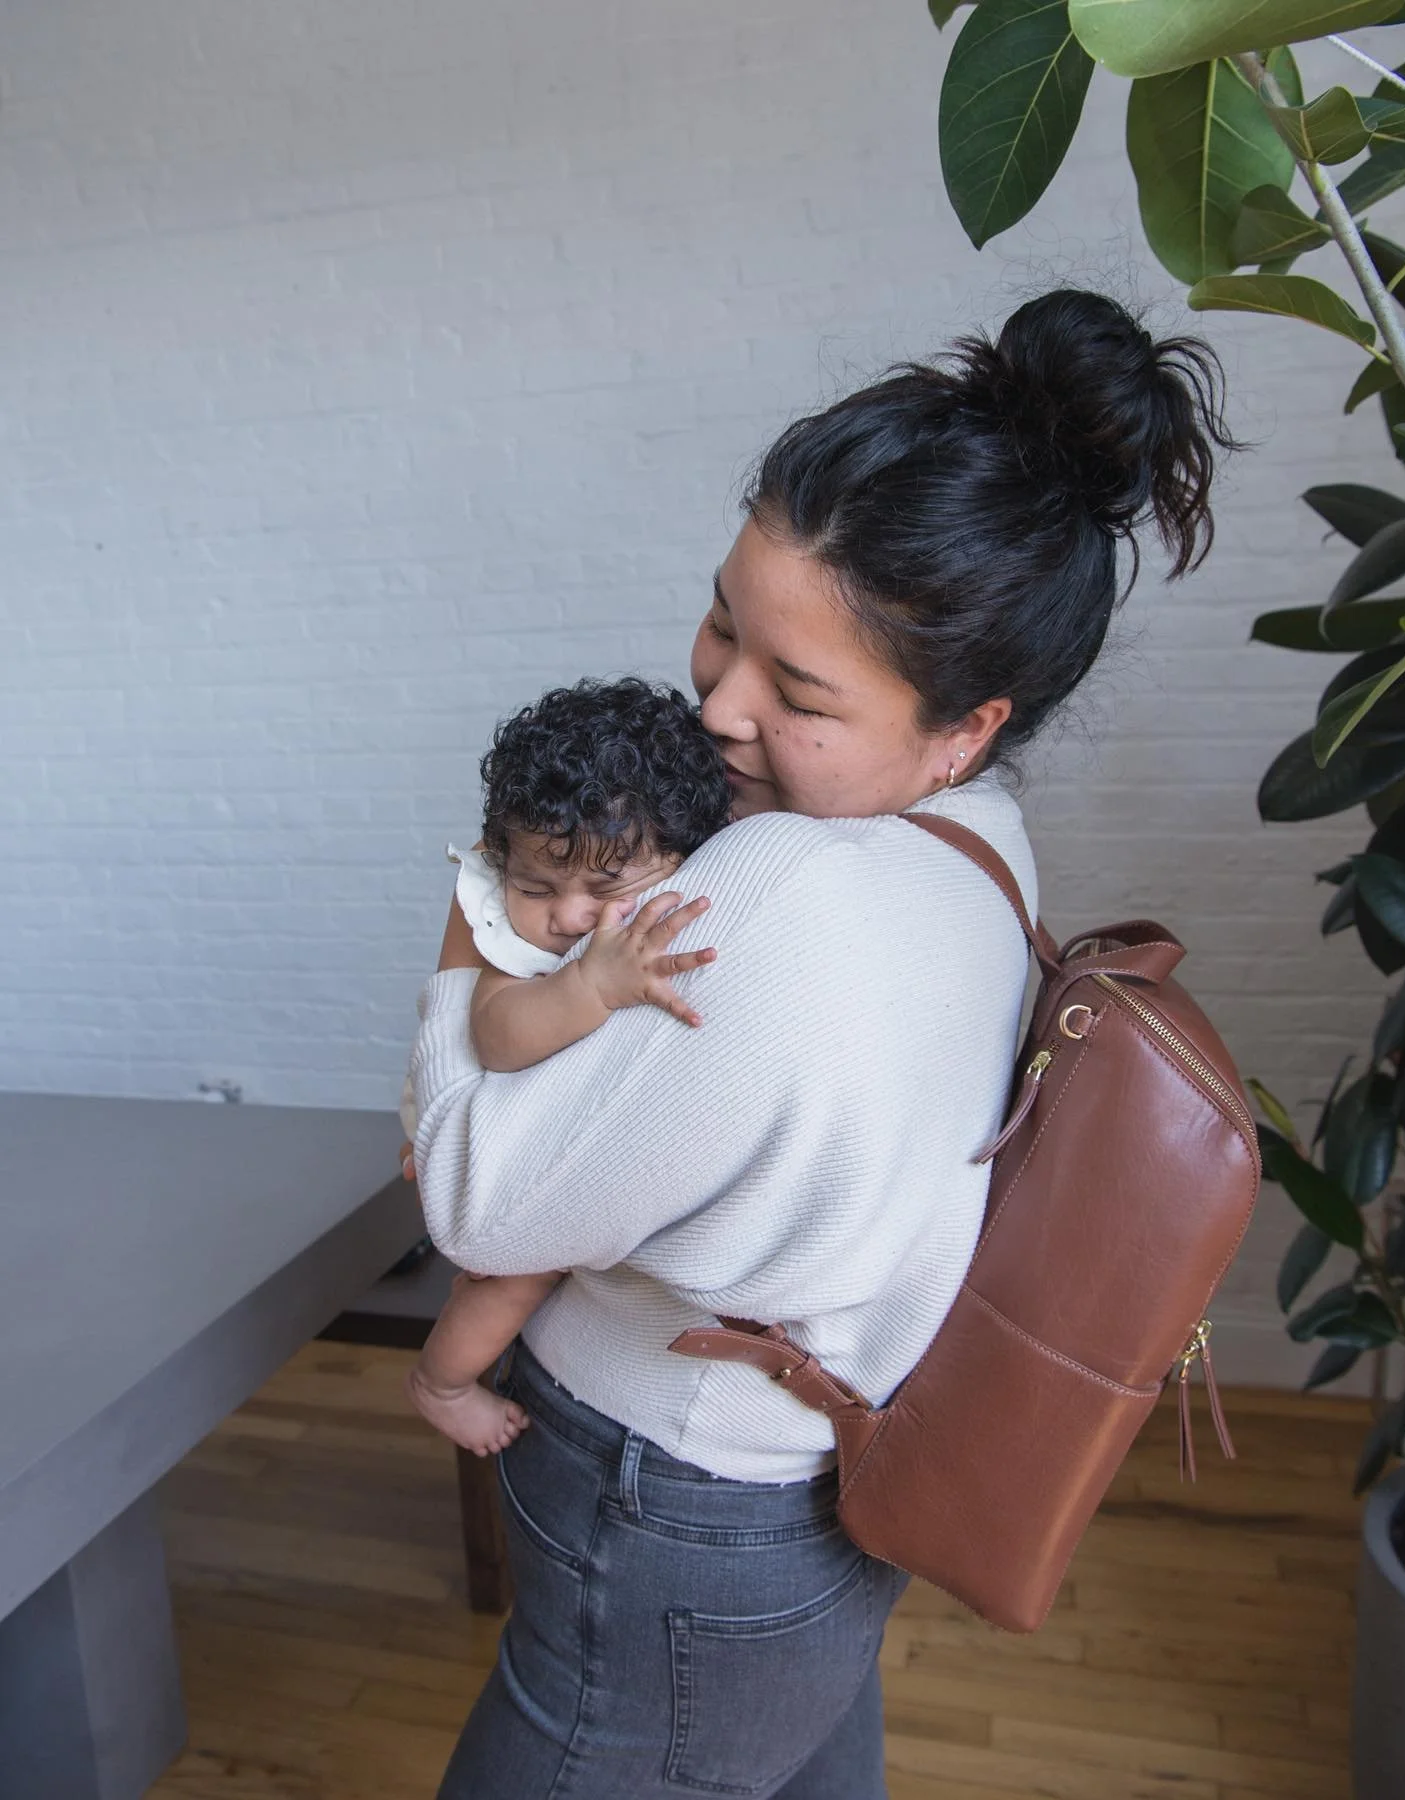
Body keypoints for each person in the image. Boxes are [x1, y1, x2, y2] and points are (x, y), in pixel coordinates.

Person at [405, 289, 1232, 1799]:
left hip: (669, 1505)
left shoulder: (780, 886)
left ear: (965, 725)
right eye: (726, 621)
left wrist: (475, 924)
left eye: (796, 692)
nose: (718, 703)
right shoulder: (980, 841)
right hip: (807, 1504)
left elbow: (474, 1198)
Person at [402, 678, 731, 1456]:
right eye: (536, 887)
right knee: (518, 1277)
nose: (569, 916)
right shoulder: (522, 943)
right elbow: (494, 1035)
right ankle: (441, 1385)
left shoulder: (704, 884)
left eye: (606, 889)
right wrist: (588, 986)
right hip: (484, 1122)